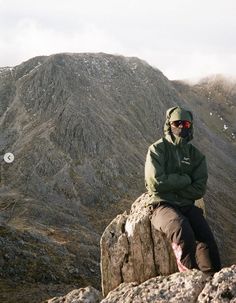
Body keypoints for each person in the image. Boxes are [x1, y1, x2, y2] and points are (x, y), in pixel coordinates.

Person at [145, 106, 221, 273]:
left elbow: (199, 189)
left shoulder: (197, 156)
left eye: (185, 124)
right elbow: (155, 183)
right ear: (169, 124)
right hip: (161, 205)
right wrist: (186, 180)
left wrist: (172, 188)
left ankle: (212, 280)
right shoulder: (157, 150)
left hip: (185, 204)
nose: (181, 127)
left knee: (206, 237)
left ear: (190, 126)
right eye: (176, 123)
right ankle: (188, 278)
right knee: (181, 229)